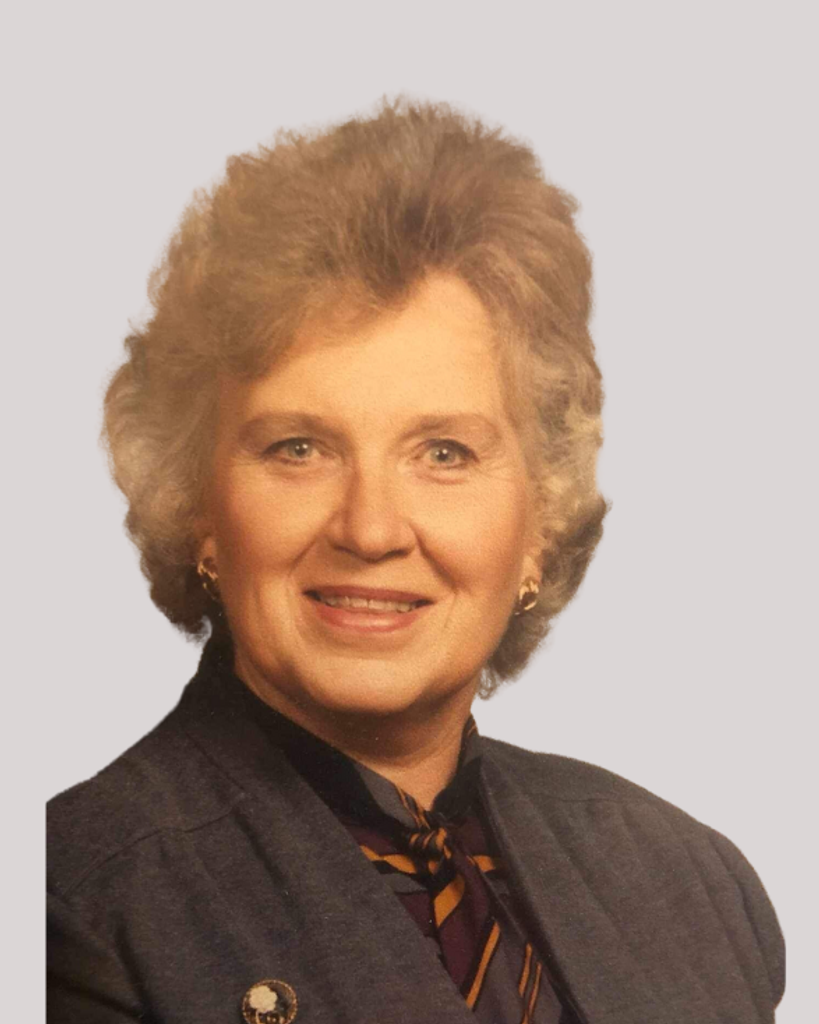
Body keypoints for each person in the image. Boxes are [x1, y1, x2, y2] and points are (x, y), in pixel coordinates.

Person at [47, 99, 785, 1024]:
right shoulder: (72, 908)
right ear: (195, 506)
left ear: (540, 520)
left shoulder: (692, 886)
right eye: (298, 448)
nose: (370, 529)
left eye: (444, 452)